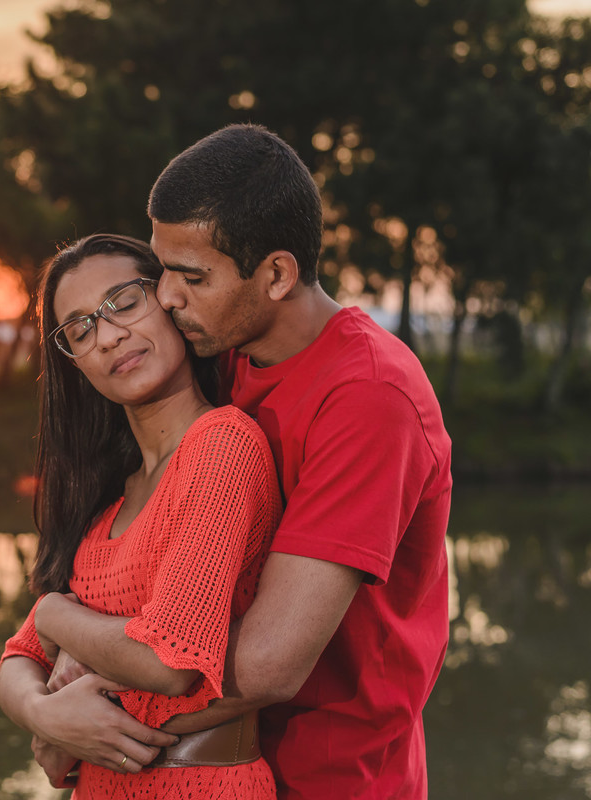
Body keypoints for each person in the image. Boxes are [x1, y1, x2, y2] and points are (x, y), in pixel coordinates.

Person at [135, 124, 451, 799]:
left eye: (193, 277)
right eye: (164, 269)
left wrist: (90, 679)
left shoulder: (368, 396)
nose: (166, 296)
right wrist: (37, 693)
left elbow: (270, 663)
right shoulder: (218, 353)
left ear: (276, 274)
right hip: (201, 769)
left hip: (329, 778)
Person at [0, 232, 283, 798]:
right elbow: (17, 660)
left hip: (200, 785)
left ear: (172, 300)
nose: (108, 336)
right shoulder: (104, 499)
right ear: (75, 363)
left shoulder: (221, 445)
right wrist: (43, 716)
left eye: (124, 302)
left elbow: (169, 660)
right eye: (80, 330)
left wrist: (55, 615)